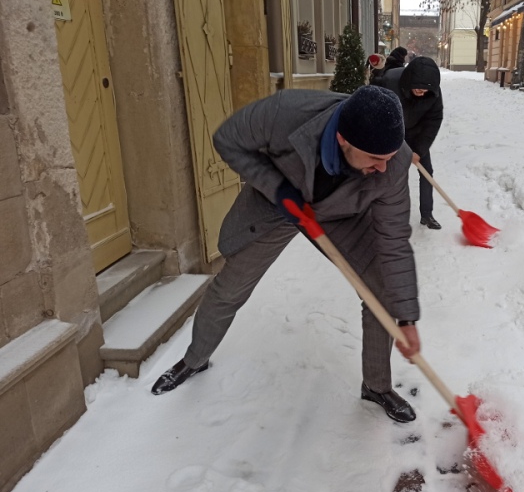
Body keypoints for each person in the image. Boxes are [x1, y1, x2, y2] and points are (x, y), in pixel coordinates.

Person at [151, 86, 421, 423]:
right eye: (375, 159)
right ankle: (194, 358)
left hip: (341, 215)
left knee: (379, 294)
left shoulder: (392, 164)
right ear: (343, 140)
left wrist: (407, 317)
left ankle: (377, 386)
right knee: (230, 287)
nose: (384, 167)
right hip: (278, 207)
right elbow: (228, 139)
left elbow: (393, 240)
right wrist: (279, 191)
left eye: (390, 157)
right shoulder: (287, 113)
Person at [372, 56, 443, 229]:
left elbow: (434, 120)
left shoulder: (432, 90)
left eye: (425, 89)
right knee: (390, 175)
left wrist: (419, 150)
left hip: (417, 133)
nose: (421, 91)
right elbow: (374, 112)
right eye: (418, 87)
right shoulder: (389, 83)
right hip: (391, 132)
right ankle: (385, 216)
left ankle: (427, 215)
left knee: (427, 173)